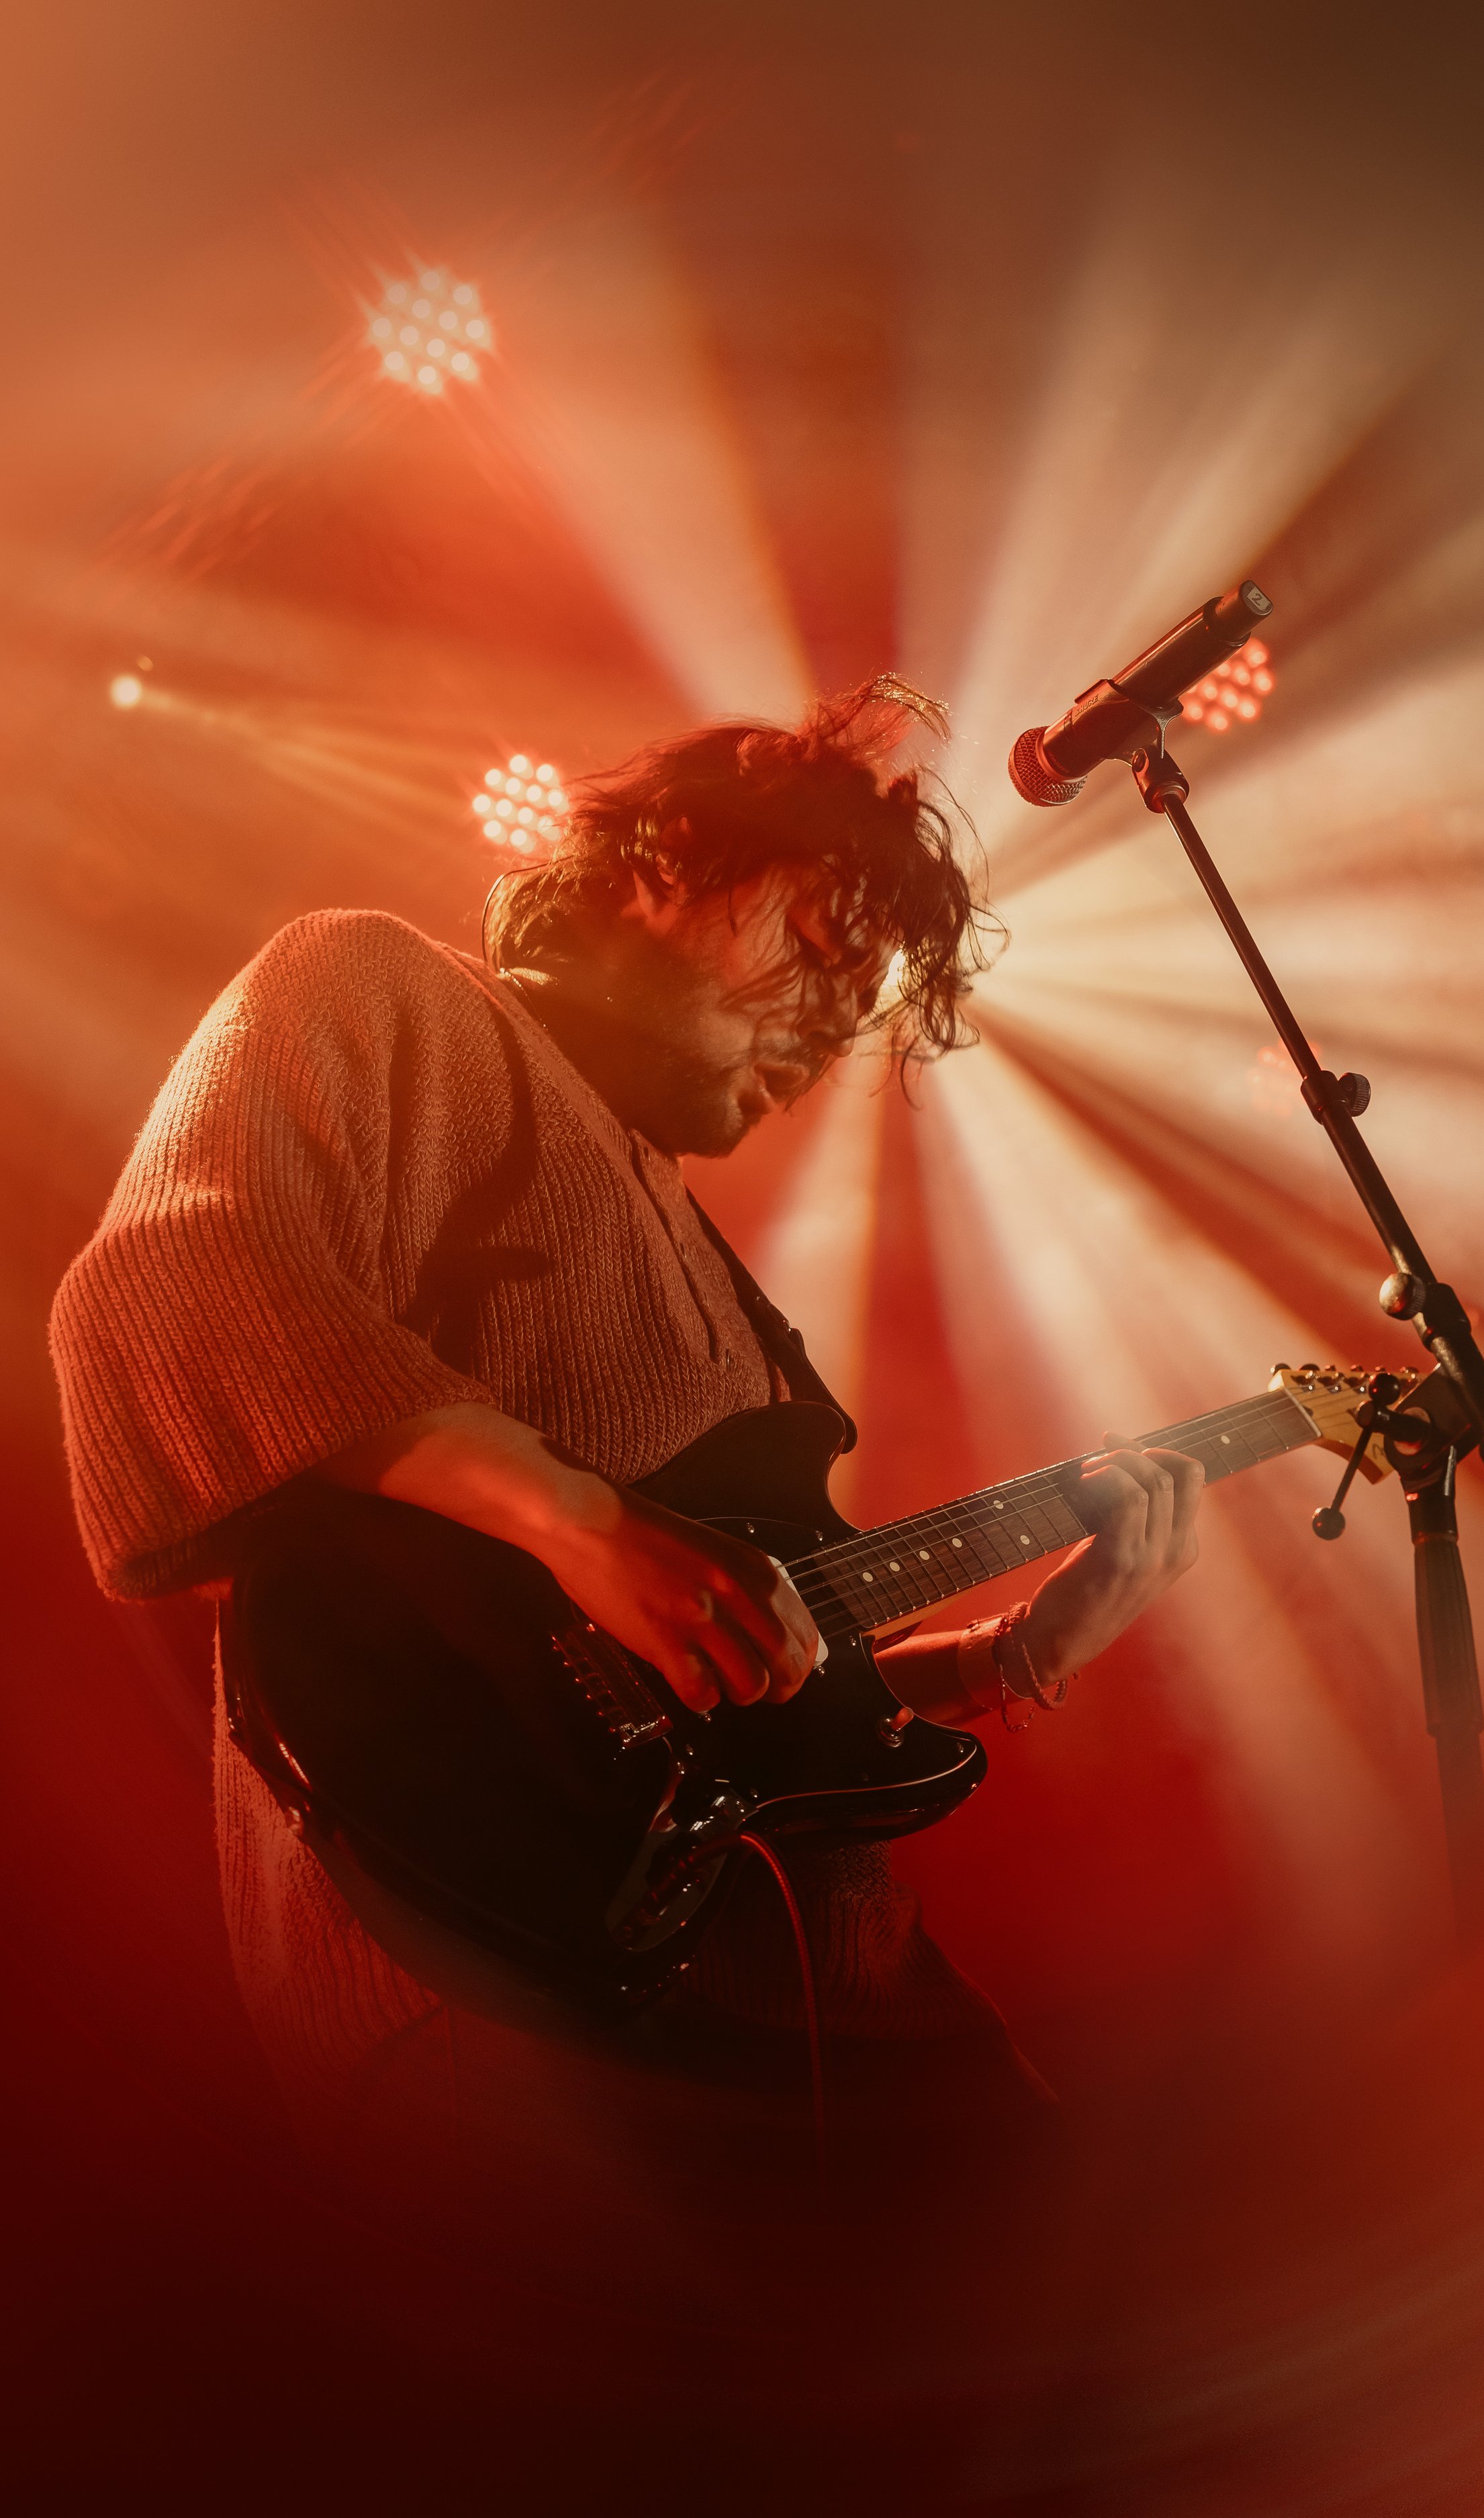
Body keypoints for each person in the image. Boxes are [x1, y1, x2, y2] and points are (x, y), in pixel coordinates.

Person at [49, 677, 1203, 2207]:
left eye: (860, 1004)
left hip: (806, 1960)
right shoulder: (379, 984)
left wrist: (1010, 1653)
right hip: (491, 1934)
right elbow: (182, 1283)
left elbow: (711, 1693)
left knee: (1074, 2341)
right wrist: (575, 1521)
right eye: (813, 945)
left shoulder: (695, 1240)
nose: (829, 1026)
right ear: (665, 853)